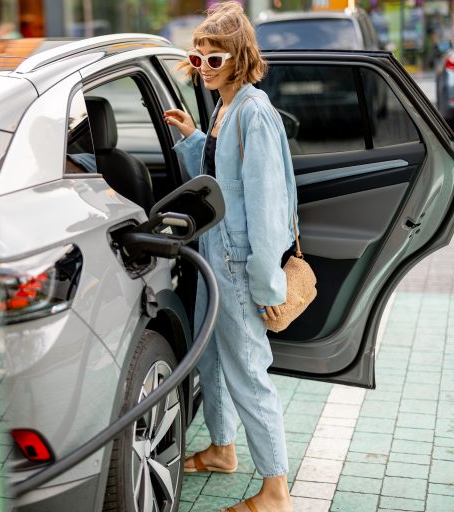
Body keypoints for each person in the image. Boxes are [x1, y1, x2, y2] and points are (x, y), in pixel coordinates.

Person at [162, 3, 297, 512]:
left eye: (213, 59)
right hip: (215, 254)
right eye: (198, 61)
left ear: (240, 56)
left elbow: (266, 206)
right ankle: (222, 449)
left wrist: (267, 288)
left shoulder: (254, 111)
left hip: (240, 265)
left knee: (248, 372)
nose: (204, 69)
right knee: (213, 360)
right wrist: (192, 136)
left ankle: (276, 491)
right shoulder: (226, 107)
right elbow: (223, 179)